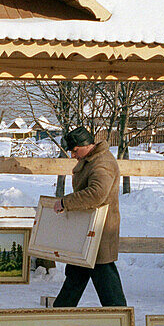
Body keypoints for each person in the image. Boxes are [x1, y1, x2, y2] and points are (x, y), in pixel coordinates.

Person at [50, 126, 127, 308]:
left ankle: (120, 318)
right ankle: (60, 313)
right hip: (89, 230)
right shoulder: (91, 160)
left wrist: (65, 202)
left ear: (86, 145)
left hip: (99, 231)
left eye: (75, 151)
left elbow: (96, 193)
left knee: (105, 276)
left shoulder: (102, 163)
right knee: (76, 274)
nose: (73, 156)